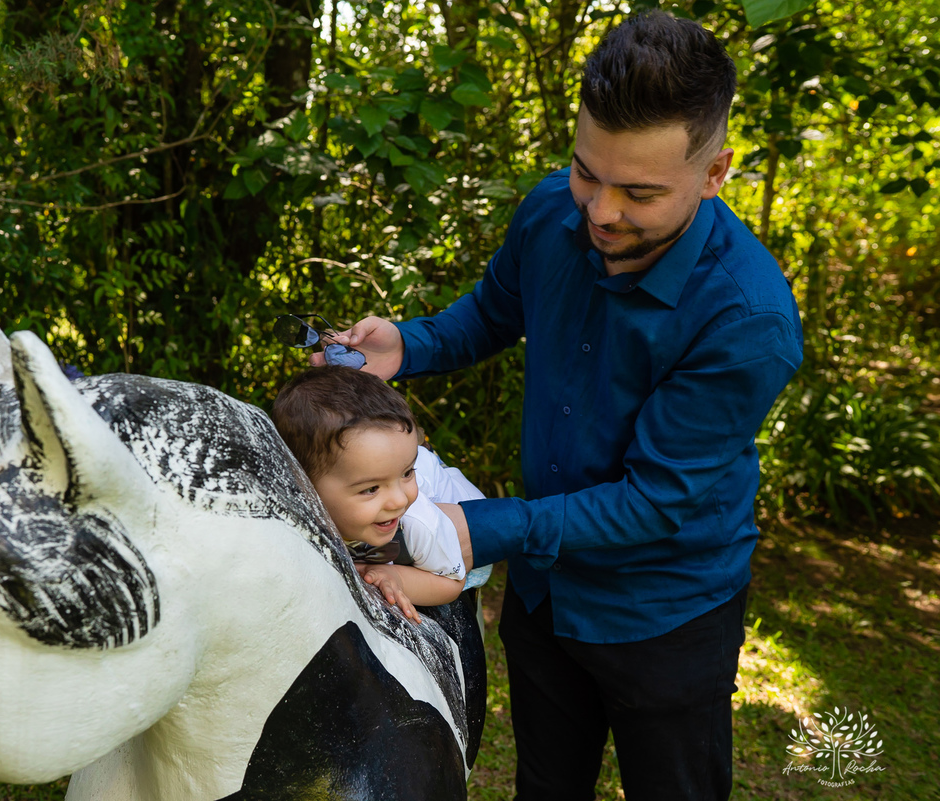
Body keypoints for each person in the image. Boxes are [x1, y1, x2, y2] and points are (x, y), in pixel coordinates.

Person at [311, 11, 804, 801]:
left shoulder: (747, 319)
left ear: (715, 173)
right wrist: (407, 345)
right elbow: (493, 313)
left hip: (667, 612)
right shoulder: (552, 211)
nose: (601, 211)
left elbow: (655, 500)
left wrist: (479, 528)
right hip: (546, 591)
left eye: (639, 191)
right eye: (586, 172)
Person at [271, 366, 483, 623]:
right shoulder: (287, 507)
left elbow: (453, 583)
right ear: (304, 484)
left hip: (459, 520)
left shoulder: (417, 521)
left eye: (407, 473)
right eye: (371, 489)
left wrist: (398, 577)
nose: (399, 500)